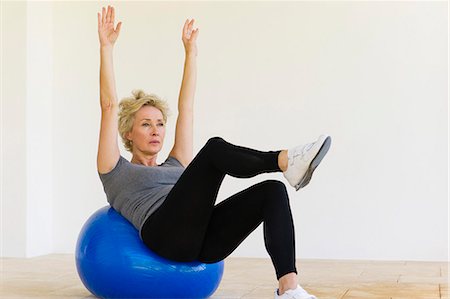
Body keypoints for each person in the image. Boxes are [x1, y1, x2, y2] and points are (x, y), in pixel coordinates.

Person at [96, 5, 331, 299]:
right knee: (214, 150)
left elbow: (187, 109)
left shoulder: (175, 163)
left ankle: (289, 288)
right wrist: (106, 48)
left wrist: (190, 54)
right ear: (128, 132)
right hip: (165, 237)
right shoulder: (115, 171)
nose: (156, 130)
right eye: (145, 124)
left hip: (202, 242)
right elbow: (108, 106)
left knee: (272, 191)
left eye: (159, 124)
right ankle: (286, 160)